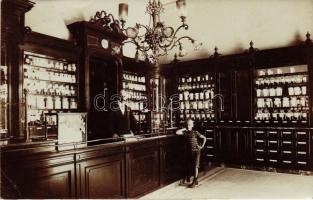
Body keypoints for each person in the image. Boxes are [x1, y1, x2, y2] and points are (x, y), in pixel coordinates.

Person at [176, 118, 206, 188]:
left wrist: (201, 146)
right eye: (188, 124)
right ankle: (195, 180)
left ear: (192, 125)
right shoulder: (185, 132)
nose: (189, 125)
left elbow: (204, 138)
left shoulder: (195, 132)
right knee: (192, 166)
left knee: (196, 166)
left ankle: (195, 181)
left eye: (190, 124)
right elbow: (177, 132)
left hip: (196, 151)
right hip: (189, 151)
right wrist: (184, 128)